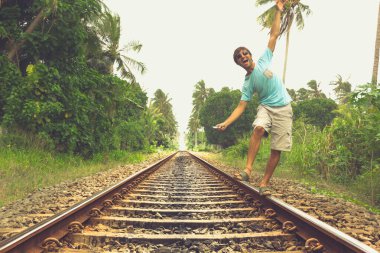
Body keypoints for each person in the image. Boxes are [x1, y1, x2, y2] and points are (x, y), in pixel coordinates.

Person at [215, 0, 292, 196]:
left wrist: (278, 10)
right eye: (240, 57)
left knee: (277, 148)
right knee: (258, 128)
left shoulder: (264, 60)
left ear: (250, 55)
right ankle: (247, 171)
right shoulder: (247, 82)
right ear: (239, 63)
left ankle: (264, 183)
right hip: (266, 107)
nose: (243, 56)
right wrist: (226, 122)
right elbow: (241, 106)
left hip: (284, 107)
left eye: (245, 53)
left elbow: (274, 35)